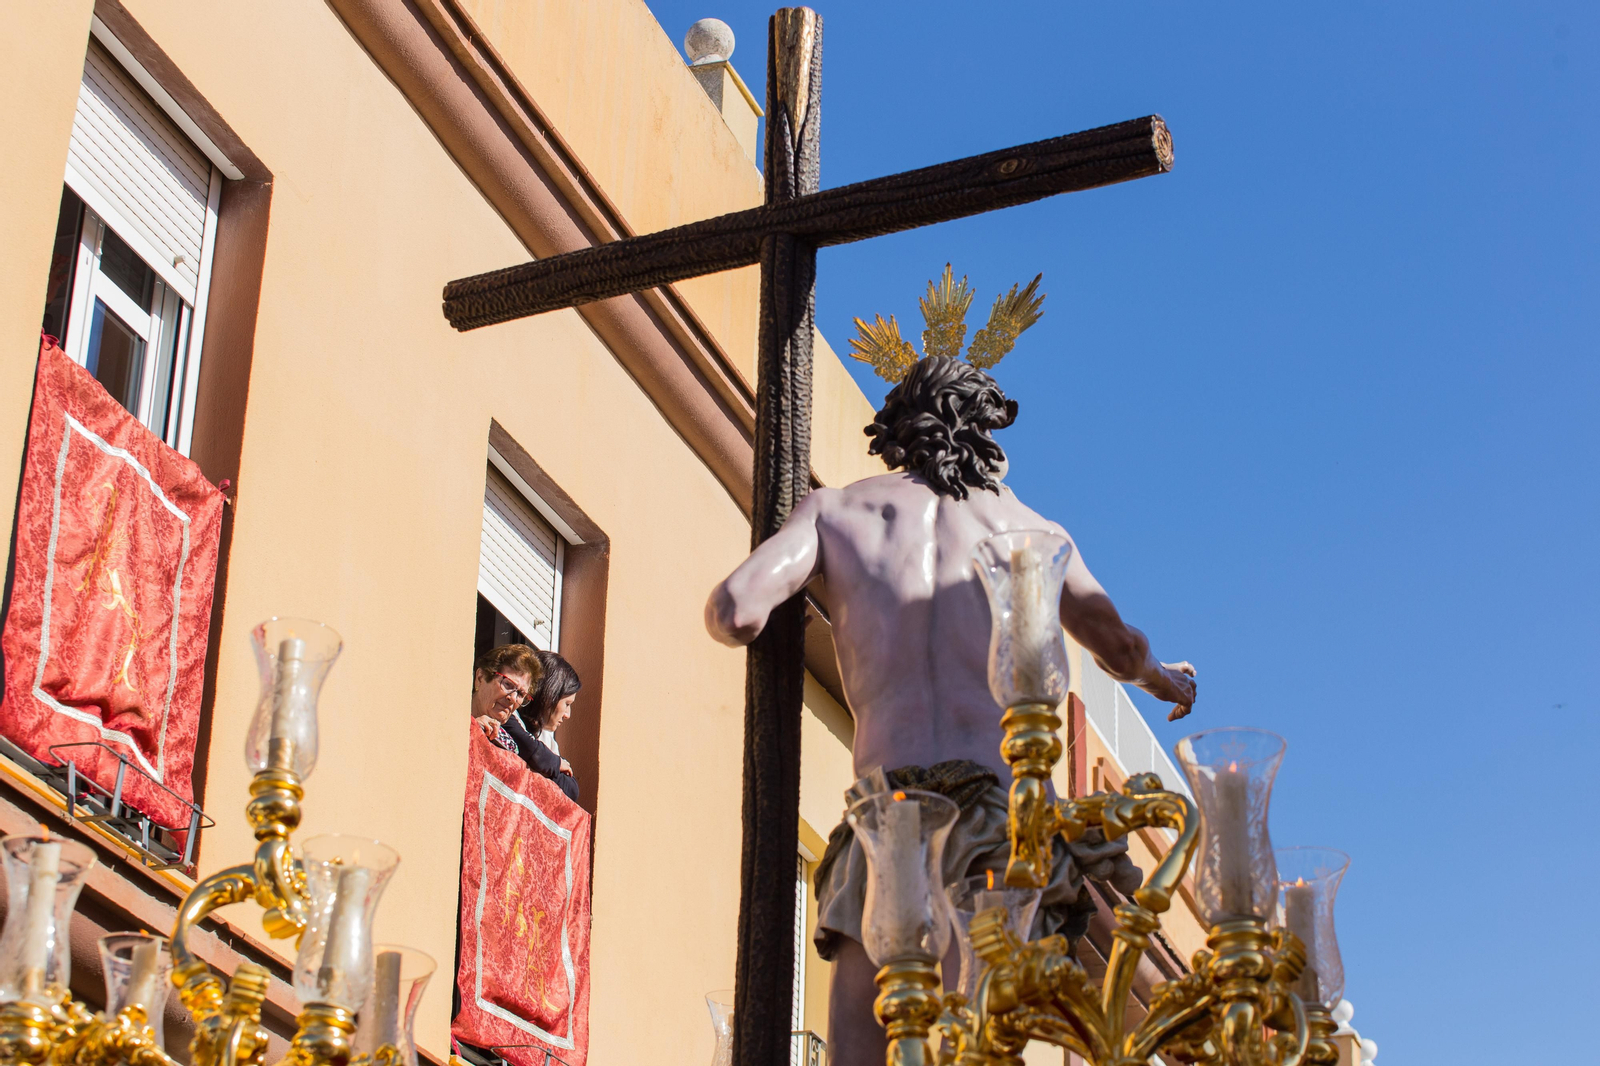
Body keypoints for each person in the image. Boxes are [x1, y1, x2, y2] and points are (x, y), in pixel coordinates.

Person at [704, 356, 1197, 1066]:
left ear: (897, 429)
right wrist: (1163, 678)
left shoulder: (837, 513)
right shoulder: (1036, 533)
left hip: (888, 819)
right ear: (987, 430)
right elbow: (1118, 648)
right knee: (981, 1045)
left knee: (859, 1049)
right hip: (1000, 819)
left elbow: (735, 609)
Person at [503, 649, 581, 804]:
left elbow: (571, 789)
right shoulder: (507, 717)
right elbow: (528, 747)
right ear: (549, 695)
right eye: (567, 704)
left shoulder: (548, 740)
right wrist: (555, 764)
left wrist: (545, 762)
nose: (567, 714)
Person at [469, 643, 542, 757]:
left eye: (521, 694)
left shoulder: (510, 748)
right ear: (480, 677)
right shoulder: (449, 711)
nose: (513, 698)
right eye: (508, 684)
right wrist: (472, 726)